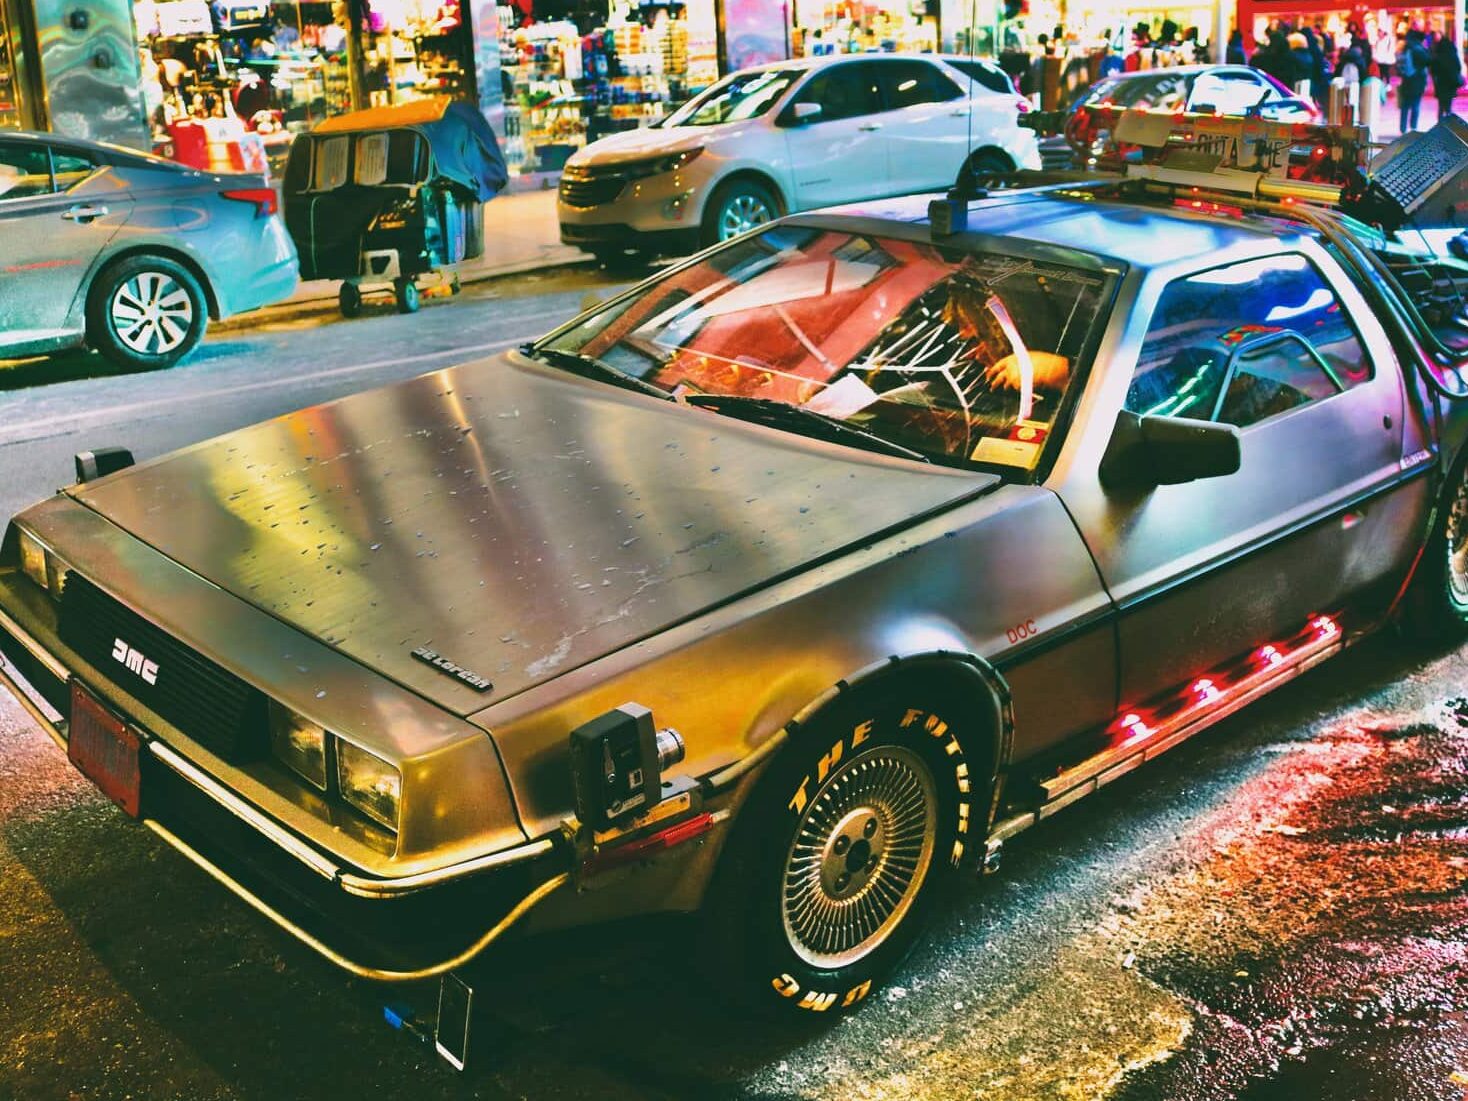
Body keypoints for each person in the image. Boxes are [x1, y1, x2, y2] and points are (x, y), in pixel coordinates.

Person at [1397, 29, 1430, 132]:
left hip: (1406, 80)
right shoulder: (1418, 49)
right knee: (1415, 104)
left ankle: (1403, 128)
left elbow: (1399, 65)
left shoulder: (1406, 48)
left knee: (1405, 106)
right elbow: (1428, 61)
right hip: (1417, 80)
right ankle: (1413, 127)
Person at [1431, 35, 1463, 121]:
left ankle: (1440, 123)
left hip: (1441, 83)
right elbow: (1458, 67)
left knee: (1441, 105)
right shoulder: (1453, 55)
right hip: (1451, 83)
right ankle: (1448, 122)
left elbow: (1433, 70)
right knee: (1448, 104)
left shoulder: (1438, 56)